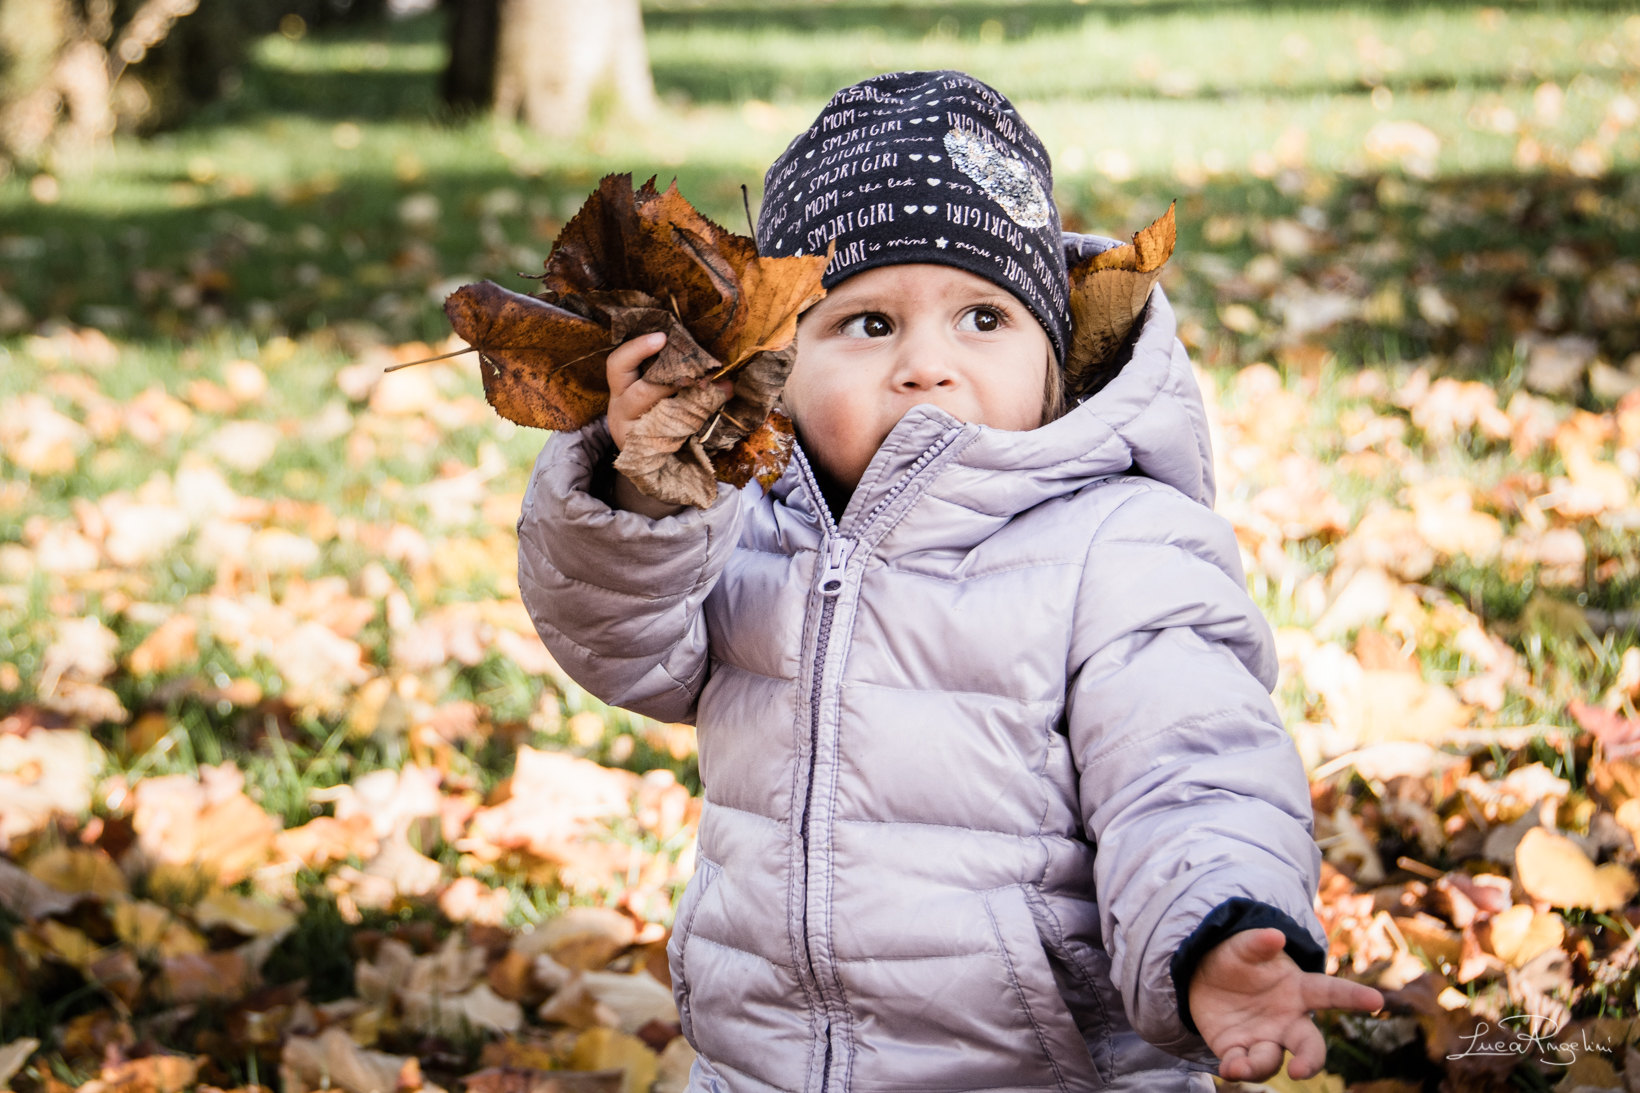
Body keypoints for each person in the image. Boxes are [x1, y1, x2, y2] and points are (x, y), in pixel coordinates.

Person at [518, 70, 1381, 1093]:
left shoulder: (1116, 544)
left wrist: (1216, 931)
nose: (926, 364)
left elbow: (1188, 766)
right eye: (868, 324)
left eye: (981, 319)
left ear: (1050, 360)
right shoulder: (748, 518)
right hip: (766, 1068)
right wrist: (649, 492)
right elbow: (622, 646)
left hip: (1037, 1071)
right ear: (777, 368)